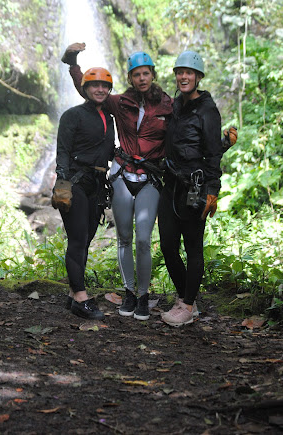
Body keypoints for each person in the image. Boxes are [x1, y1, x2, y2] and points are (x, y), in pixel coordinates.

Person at [62, 43, 237, 322]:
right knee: (132, 239)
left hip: (154, 177)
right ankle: (134, 293)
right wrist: (73, 64)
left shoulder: (170, 104)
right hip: (126, 174)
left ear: (152, 75)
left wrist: (218, 154)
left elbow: (193, 138)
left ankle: (152, 297)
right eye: (136, 74)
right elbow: (89, 90)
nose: (141, 78)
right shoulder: (122, 103)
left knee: (145, 239)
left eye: (146, 73)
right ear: (130, 78)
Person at [158, 50, 224, 327]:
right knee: (168, 246)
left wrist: (213, 189)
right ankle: (189, 300)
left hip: (195, 186)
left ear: (198, 77)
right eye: (179, 72)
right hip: (170, 184)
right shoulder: (174, 106)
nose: (183, 76)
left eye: (189, 73)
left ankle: (186, 304)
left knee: (193, 246)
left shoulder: (208, 110)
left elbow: (212, 154)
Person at [51, 65, 115, 320]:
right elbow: (63, 150)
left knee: (86, 239)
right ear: (85, 88)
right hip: (76, 183)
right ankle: (80, 298)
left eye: (104, 86)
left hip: (98, 185)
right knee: (77, 240)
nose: (100, 89)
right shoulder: (72, 115)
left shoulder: (109, 118)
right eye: (94, 85)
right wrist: (62, 182)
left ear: (109, 90)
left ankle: (71, 293)